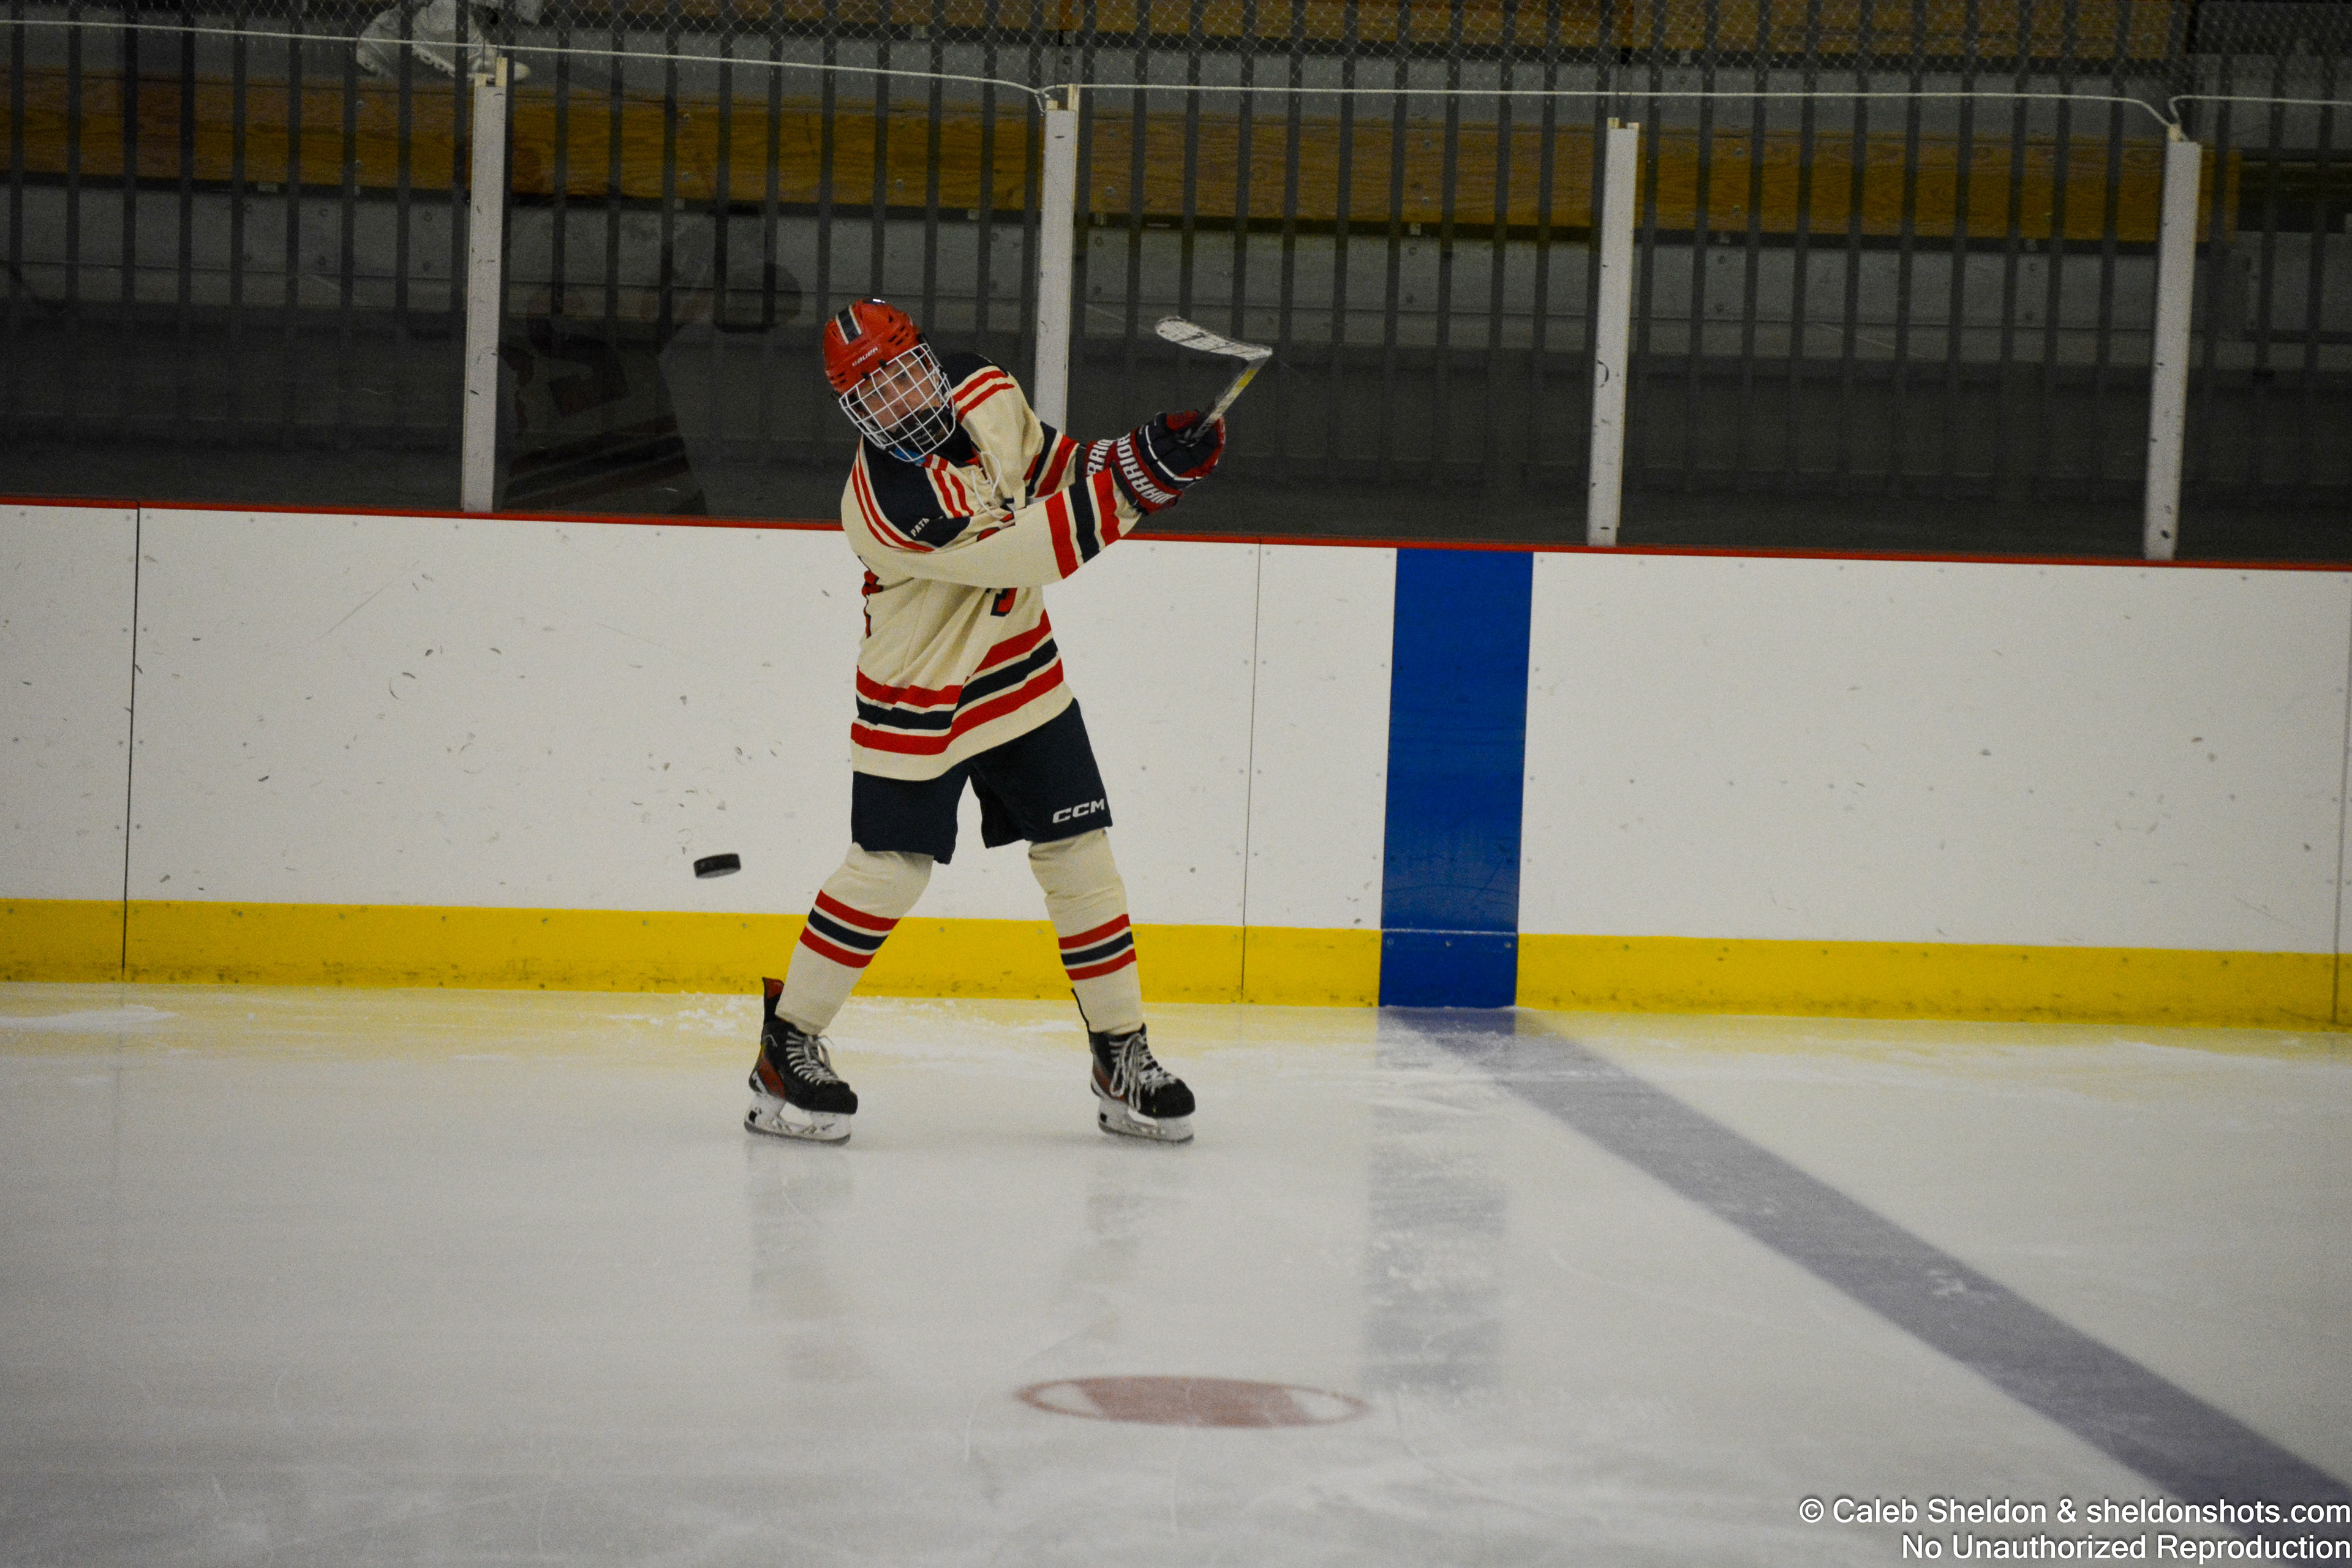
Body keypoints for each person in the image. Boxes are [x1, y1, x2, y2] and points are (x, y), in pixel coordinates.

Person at [746, 298, 1226, 1146]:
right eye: (871, 394)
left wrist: (1142, 450)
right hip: (920, 692)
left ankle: (1120, 1054)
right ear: (852, 410)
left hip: (1020, 670)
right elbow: (1036, 546)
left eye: (901, 376)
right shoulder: (886, 503)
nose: (895, 401)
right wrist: (1144, 484)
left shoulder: (982, 385)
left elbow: (1048, 466)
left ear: (926, 360)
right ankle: (786, 1046)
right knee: (888, 871)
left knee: (1080, 855)